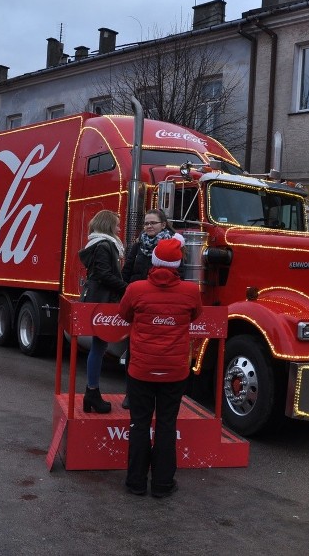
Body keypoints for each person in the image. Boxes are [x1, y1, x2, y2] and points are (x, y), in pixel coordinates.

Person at [119, 235, 202, 498]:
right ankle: (163, 484)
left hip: (141, 369)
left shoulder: (136, 289)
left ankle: (136, 482)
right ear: (178, 264)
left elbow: (124, 314)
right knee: (167, 425)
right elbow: (195, 315)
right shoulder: (191, 291)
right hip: (174, 371)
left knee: (139, 424)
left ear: (154, 261)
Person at [120, 209, 179, 409]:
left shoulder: (172, 246)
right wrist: (127, 293)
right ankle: (131, 394)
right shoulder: (138, 246)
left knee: (161, 352)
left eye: (153, 223)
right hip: (140, 307)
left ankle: (160, 397)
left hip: (164, 307)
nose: (149, 226)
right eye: (146, 223)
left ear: (163, 224)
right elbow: (126, 272)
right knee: (134, 349)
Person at [77, 210, 128, 413]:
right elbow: (104, 275)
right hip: (102, 301)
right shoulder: (105, 245)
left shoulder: (101, 244)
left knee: (99, 347)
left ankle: (92, 393)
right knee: (99, 347)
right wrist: (127, 287)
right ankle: (92, 392)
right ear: (107, 225)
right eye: (116, 225)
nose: (119, 228)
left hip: (100, 300)